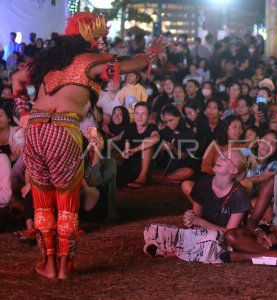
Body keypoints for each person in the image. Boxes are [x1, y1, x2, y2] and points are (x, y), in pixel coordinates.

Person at [12, 12, 166, 279]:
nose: (101, 43)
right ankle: (63, 266)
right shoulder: (92, 60)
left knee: (43, 202)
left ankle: (47, 263)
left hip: (34, 131)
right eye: (98, 37)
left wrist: (25, 113)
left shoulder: (49, 61)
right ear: (89, 38)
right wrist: (152, 53)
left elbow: (17, 80)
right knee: (66, 200)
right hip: (62, 129)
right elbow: (133, 64)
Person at [143, 149, 254, 263]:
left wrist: (200, 222)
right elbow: (195, 220)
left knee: (212, 240)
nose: (220, 157)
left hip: (221, 240)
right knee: (151, 228)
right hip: (201, 233)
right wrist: (190, 218)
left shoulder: (240, 194)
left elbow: (230, 235)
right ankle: (183, 249)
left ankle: (171, 252)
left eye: (226, 158)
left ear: (234, 170)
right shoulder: (204, 182)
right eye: (221, 154)